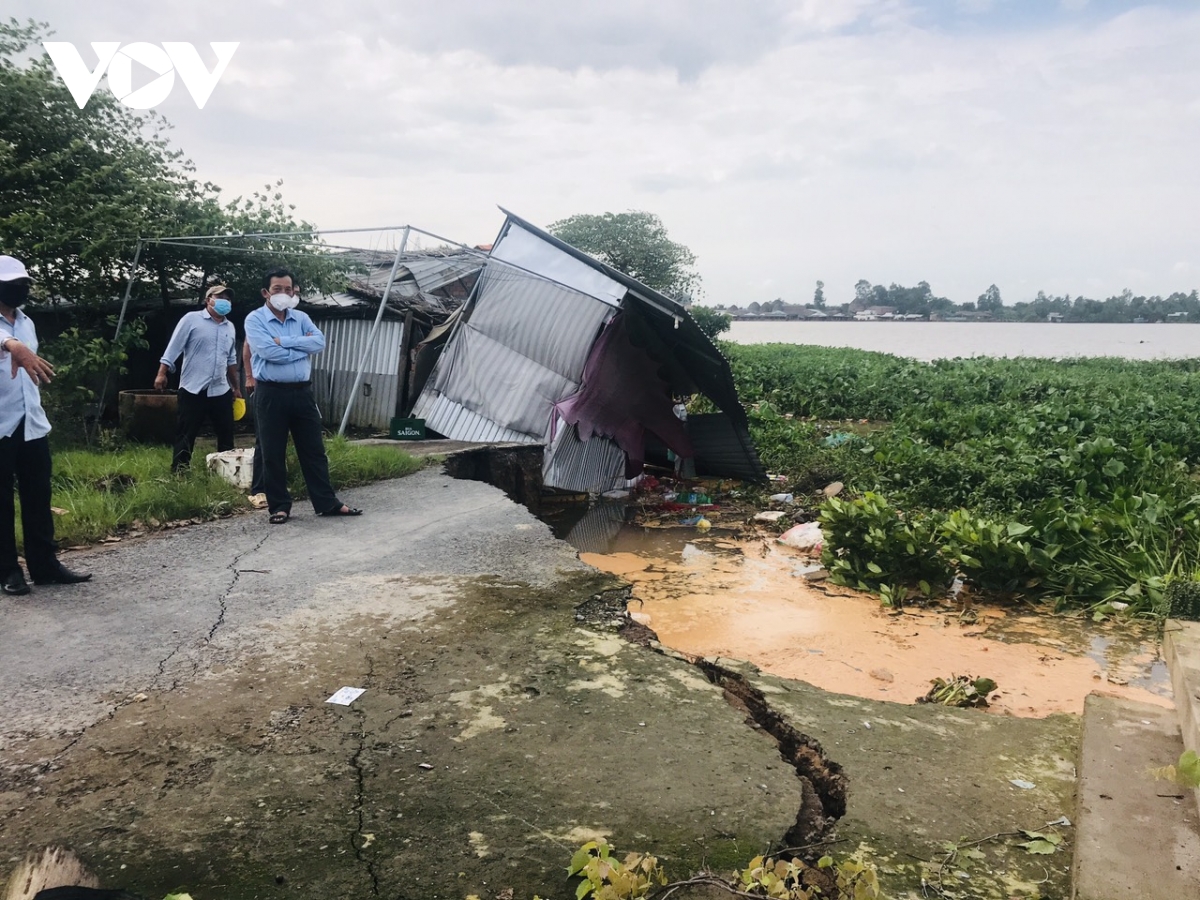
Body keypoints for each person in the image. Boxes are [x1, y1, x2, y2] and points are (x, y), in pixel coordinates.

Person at [0, 255, 91, 595]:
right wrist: (12, 344)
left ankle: (45, 565)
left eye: (24, 284)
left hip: (30, 422)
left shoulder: (26, 322)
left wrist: (19, 341)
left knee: (38, 495)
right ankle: (8, 570)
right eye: (12, 285)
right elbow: (6, 342)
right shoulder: (11, 332)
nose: (21, 289)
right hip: (0, 425)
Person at [244, 267, 361, 524]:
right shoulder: (255, 319)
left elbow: (318, 343)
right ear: (266, 292)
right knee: (273, 453)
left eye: (288, 289)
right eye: (277, 289)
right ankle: (279, 506)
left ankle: (326, 502)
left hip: (303, 392)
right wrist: (299, 345)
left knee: (314, 450)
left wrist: (282, 341)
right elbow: (266, 352)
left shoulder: (302, 318)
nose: (284, 293)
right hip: (270, 393)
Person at [154, 284, 242, 472]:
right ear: (208, 300)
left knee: (226, 434)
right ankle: (180, 473)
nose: (224, 302)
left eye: (227, 298)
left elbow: (231, 360)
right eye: (220, 297)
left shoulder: (230, 327)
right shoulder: (191, 320)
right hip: (193, 389)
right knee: (186, 434)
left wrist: (235, 387)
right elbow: (174, 348)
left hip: (220, 389)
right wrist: (161, 373)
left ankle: (227, 474)